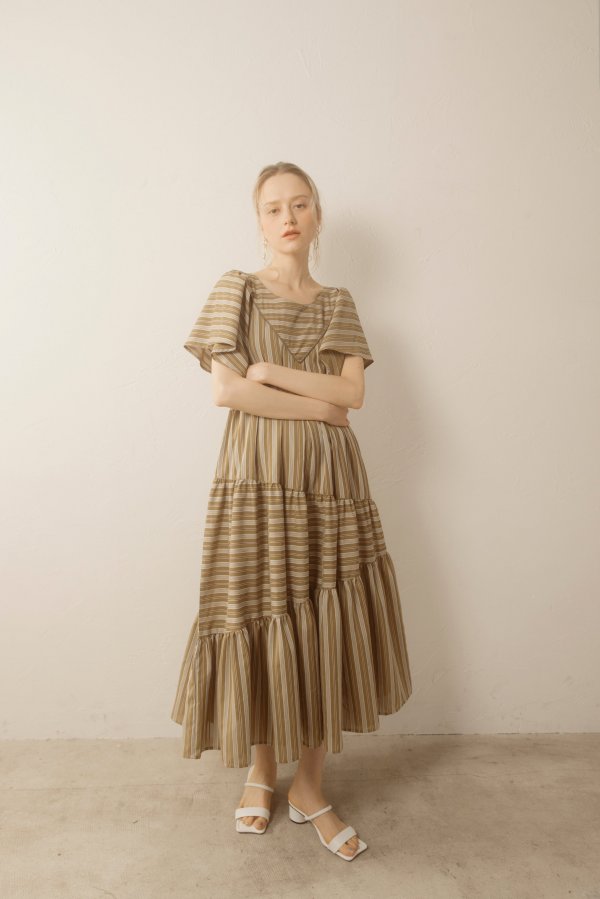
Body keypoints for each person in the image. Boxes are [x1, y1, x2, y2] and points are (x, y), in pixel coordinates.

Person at [171, 161, 413, 861]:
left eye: (300, 204)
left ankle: (309, 784)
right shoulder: (236, 289)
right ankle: (259, 770)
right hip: (255, 476)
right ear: (259, 220)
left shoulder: (338, 302)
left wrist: (271, 372)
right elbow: (227, 392)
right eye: (274, 207)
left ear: (317, 216)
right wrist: (318, 404)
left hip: (329, 480)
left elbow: (354, 395)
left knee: (320, 614)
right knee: (259, 603)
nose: (288, 217)